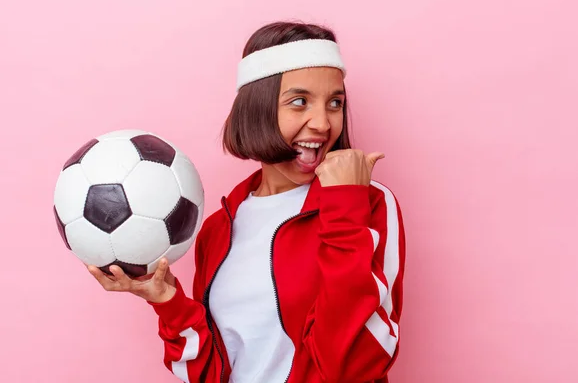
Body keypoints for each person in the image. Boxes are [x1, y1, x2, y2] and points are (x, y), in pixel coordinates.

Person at [88, 21, 406, 383]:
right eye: (299, 102)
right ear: (258, 109)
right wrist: (166, 300)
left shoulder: (368, 202)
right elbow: (208, 373)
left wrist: (345, 209)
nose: (322, 122)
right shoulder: (218, 228)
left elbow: (353, 366)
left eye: (335, 103)